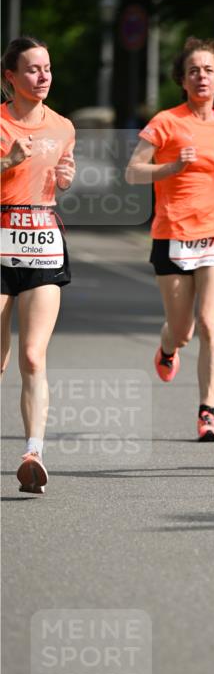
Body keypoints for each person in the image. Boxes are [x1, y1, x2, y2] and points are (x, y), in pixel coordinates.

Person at [126, 37, 214, 442]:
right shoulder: (166, 121)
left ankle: (207, 412)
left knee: (211, 323)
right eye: (193, 70)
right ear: (183, 78)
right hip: (173, 232)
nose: (201, 76)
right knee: (183, 328)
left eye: (208, 69)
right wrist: (172, 165)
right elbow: (133, 172)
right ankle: (168, 349)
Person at [1, 36, 76, 494]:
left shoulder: (64, 126)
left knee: (33, 354)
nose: (43, 76)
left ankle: (33, 452)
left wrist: (65, 179)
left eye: (47, 68)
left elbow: (59, 175)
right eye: (32, 69)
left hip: (43, 242)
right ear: (10, 78)